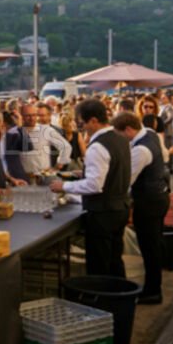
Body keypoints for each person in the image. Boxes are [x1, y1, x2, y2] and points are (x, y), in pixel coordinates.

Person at [51, 99, 131, 279]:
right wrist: (85, 173)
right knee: (115, 259)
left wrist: (64, 186)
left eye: (82, 124)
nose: (81, 128)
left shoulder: (97, 146)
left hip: (103, 213)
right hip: (120, 207)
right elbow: (113, 169)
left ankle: (101, 295)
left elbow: (95, 185)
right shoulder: (120, 139)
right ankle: (119, 293)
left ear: (93, 121)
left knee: (99, 264)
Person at [113, 112, 169, 304]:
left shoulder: (141, 150)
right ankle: (154, 285)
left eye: (120, 134)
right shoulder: (150, 133)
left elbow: (126, 180)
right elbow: (165, 156)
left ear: (128, 129)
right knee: (154, 244)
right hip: (160, 196)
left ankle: (153, 291)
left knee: (149, 248)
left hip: (149, 202)